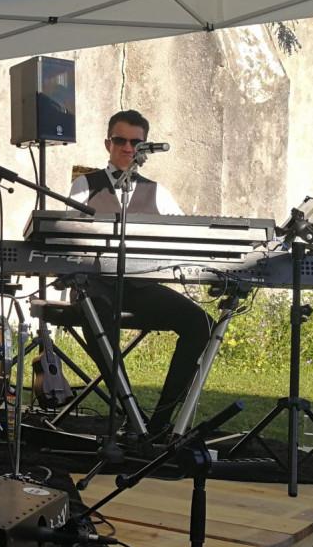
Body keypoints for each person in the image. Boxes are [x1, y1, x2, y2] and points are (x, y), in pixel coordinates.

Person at [67, 109, 212, 436]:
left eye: (136, 142)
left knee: (200, 323)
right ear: (108, 143)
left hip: (139, 286)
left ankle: (160, 421)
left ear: (144, 146)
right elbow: (68, 237)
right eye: (120, 140)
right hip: (94, 284)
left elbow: (188, 233)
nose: (128, 148)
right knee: (98, 316)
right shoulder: (84, 185)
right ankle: (131, 413)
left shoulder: (156, 191)